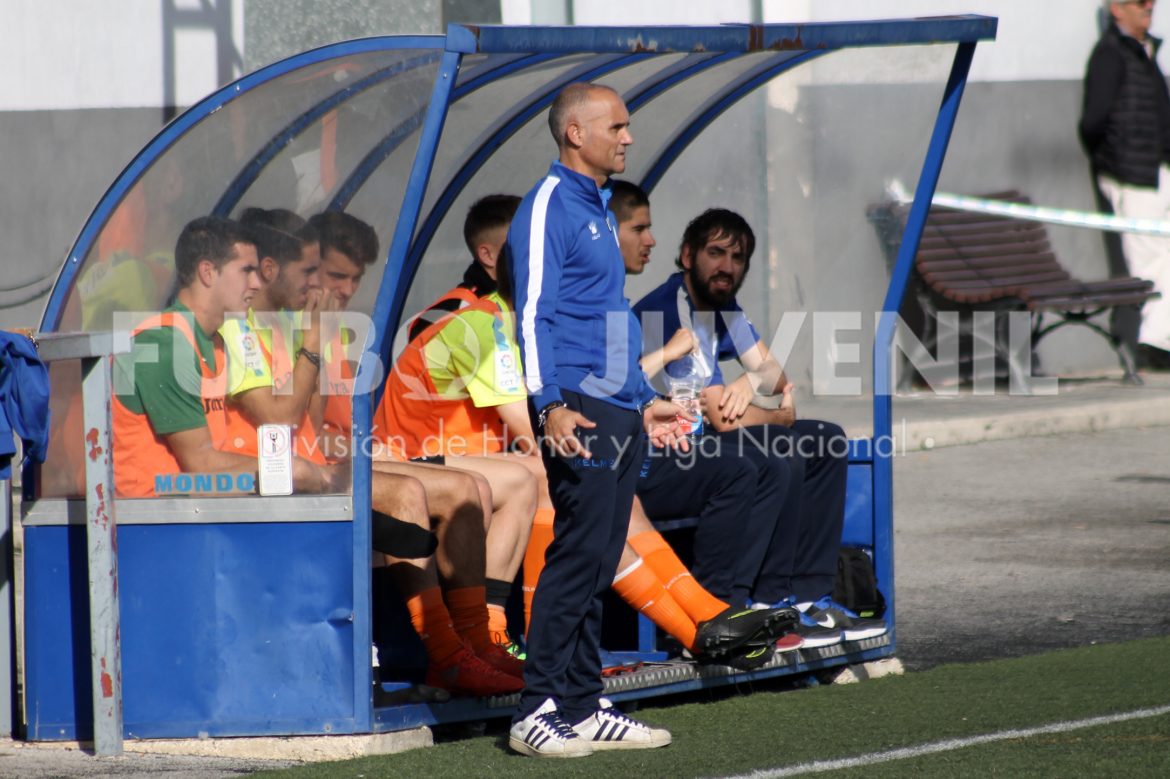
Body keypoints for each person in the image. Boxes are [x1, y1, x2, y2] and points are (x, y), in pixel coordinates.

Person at [378, 194, 792, 669]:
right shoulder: (479, 322)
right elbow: (538, 433)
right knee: (565, 477)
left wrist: (638, 423)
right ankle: (537, 642)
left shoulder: (515, 320)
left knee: (603, 485)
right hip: (415, 463)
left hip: (477, 464)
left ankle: (705, 620)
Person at [503, 81, 702, 758]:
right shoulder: (550, 204)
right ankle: (537, 708)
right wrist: (549, 405)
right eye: (616, 126)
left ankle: (583, 706)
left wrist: (642, 397)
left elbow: (607, 316)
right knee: (579, 554)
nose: (628, 136)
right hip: (576, 407)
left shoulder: (596, 204)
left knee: (599, 556)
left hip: (615, 405)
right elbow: (532, 314)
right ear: (575, 135)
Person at [633, 207, 887, 644]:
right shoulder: (669, 311)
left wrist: (750, 381)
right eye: (716, 253)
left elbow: (778, 379)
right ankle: (761, 601)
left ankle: (810, 596)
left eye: (738, 259)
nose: (727, 267)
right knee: (778, 451)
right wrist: (774, 410)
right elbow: (722, 417)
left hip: (705, 438)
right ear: (687, 255)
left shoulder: (722, 306)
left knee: (826, 440)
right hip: (665, 451)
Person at [305, 210, 533, 691]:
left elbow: (345, 423)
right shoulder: (473, 317)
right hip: (339, 468)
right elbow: (298, 427)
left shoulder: (341, 335)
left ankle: (482, 640)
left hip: (367, 458)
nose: (344, 290)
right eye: (332, 276)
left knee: (493, 483)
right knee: (518, 476)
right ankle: (456, 650)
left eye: (354, 278)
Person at [111, 216, 338, 497]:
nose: (257, 283)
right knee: (298, 473)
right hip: (153, 511)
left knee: (308, 474)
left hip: (195, 501)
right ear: (208, 273)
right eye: (246, 270)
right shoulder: (163, 344)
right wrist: (294, 471)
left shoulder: (215, 341)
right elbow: (203, 463)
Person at [1080, 0, 1170, 370]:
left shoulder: (1143, 51)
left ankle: (1160, 338)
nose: (1148, 7)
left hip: (1156, 171)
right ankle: (1155, 345)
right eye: (1139, 1)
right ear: (1117, 9)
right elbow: (1092, 123)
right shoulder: (1110, 54)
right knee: (1150, 257)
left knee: (1163, 257)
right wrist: (1114, 164)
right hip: (1131, 175)